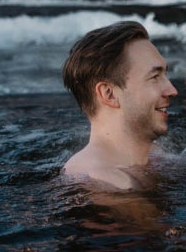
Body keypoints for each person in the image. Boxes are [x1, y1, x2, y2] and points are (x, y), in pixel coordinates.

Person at [61, 21, 178, 190]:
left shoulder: (157, 156)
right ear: (109, 94)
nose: (172, 90)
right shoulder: (107, 183)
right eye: (154, 77)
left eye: (164, 75)